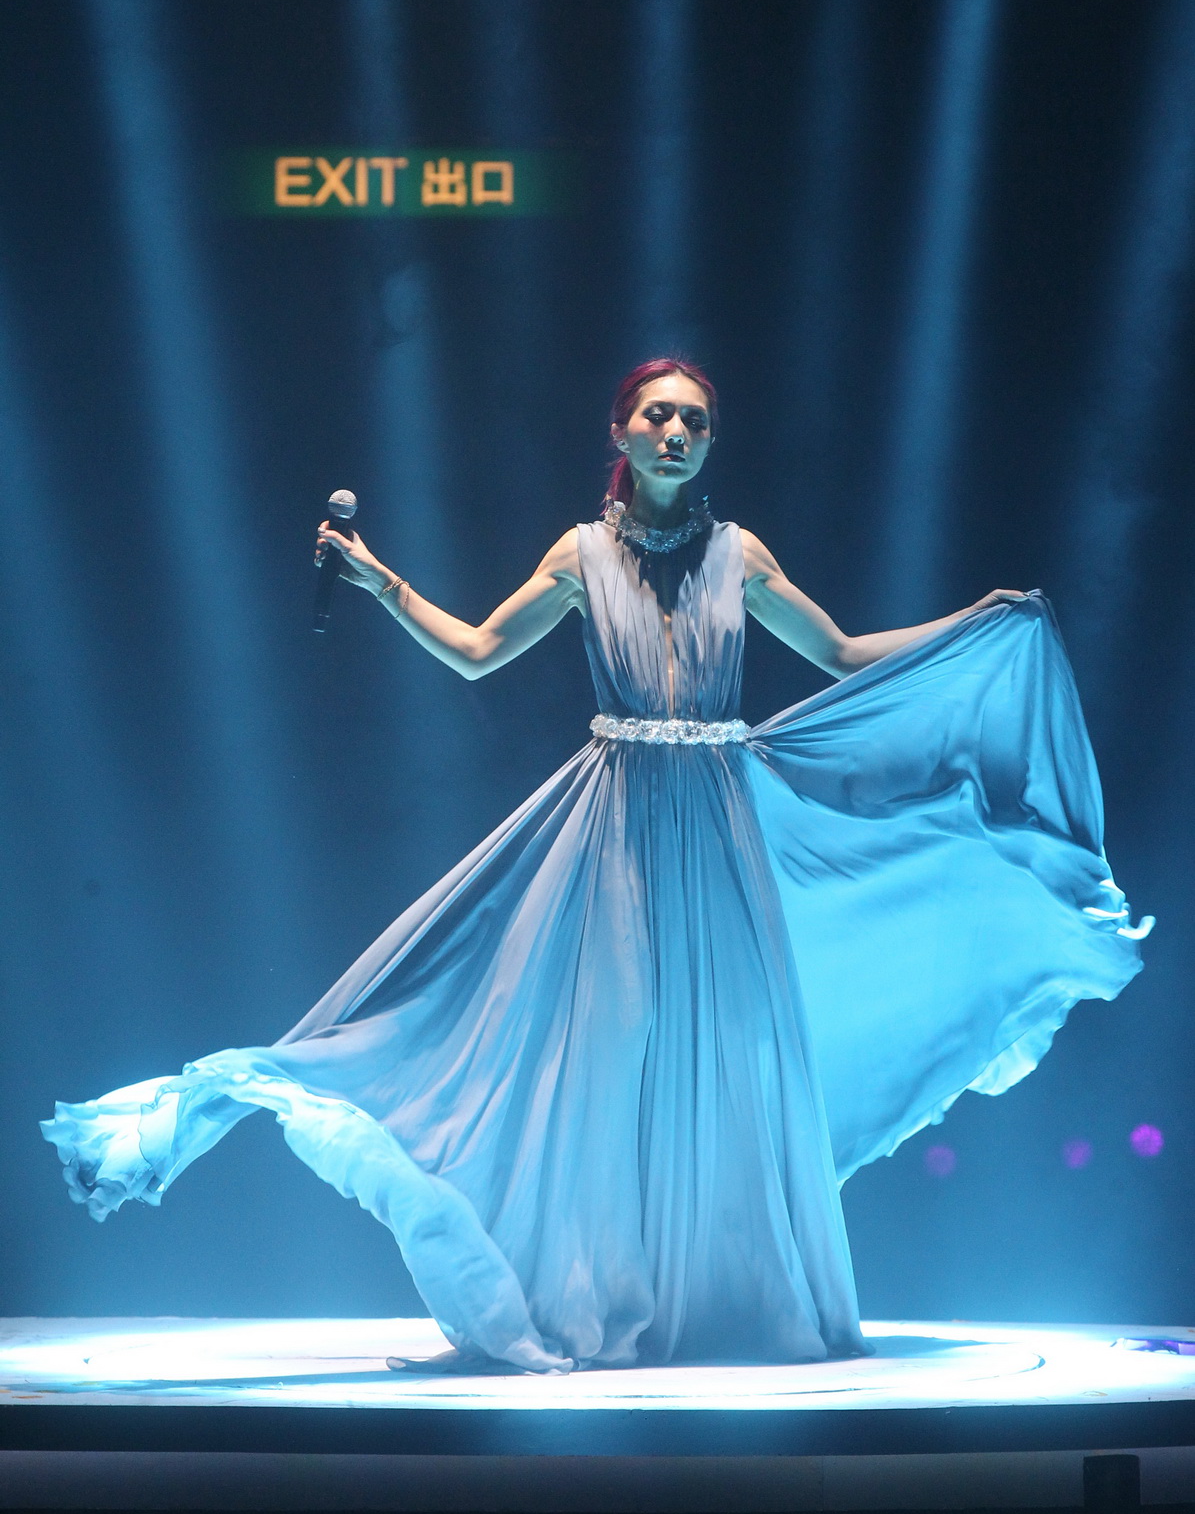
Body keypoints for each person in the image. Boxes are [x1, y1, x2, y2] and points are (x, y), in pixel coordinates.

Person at [42, 359, 1149, 1375]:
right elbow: (479, 651)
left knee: (729, 1058)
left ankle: (724, 1302)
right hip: (617, 825)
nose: (676, 432)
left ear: (708, 443)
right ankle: (588, 1297)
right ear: (621, 431)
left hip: (717, 828)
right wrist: (380, 583)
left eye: (695, 421)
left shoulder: (739, 555)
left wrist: (974, 625)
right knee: (602, 1062)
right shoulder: (581, 554)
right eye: (658, 415)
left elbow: (844, 654)